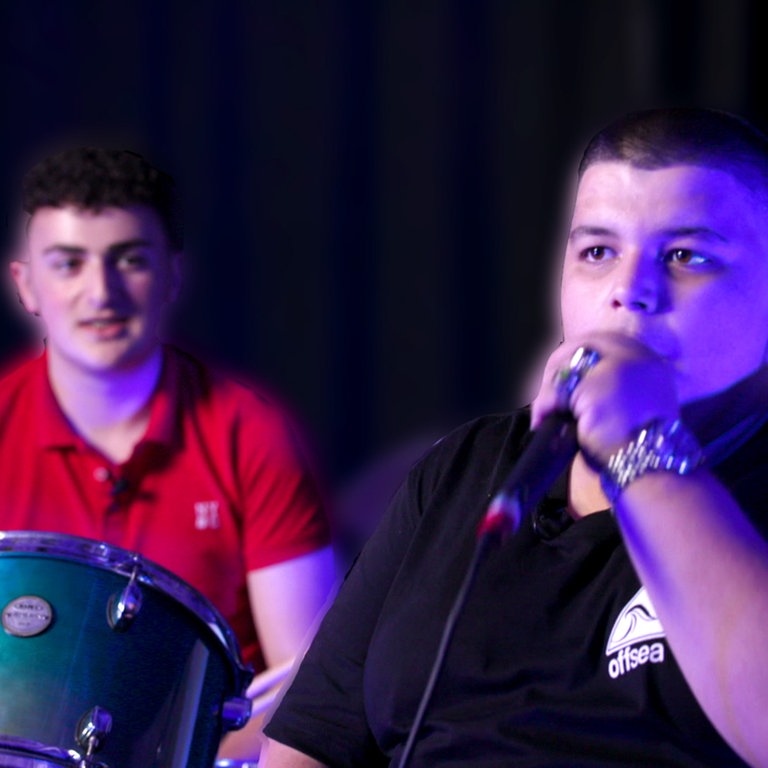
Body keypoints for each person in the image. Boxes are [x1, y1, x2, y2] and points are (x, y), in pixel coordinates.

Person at [260, 107, 768, 767]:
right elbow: (309, 745)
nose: (628, 291)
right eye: (598, 252)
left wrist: (639, 442)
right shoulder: (463, 471)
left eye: (685, 256)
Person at [0, 146, 336, 759]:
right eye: (68, 263)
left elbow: (313, 689)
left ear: (172, 276)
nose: (100, 292)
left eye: (129, 260)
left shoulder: (252, 434)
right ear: (26, 285)